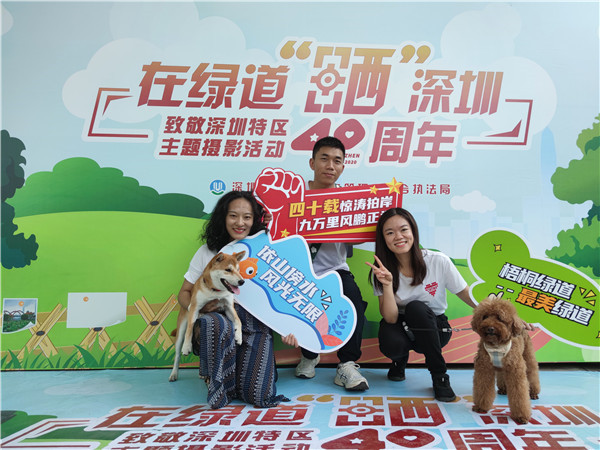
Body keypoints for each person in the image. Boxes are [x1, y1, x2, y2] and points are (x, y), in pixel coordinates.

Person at [178, 190, 298, 409]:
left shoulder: (267, 251)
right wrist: (199, 309)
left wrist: (288, 328)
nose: (240, 223)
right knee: (214, 323)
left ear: (256, 220)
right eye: (233, 215)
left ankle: (248, 373)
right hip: (219, 323)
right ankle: (218, 382)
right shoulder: (209, 252)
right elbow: (184, 292)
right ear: (223, 217)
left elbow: (283, 296)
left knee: (260, 394)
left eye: (247, 217)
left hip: (253, 326)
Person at [365, 207, 477, 402]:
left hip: (434, 326)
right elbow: (390, 317)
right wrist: (388, 284)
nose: (398, 237)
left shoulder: (438, 261)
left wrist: (505, 315)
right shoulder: (382, 271)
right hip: (400, 324)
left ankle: (439, 376)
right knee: (392, 342)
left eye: (403, 230)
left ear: (413, 231)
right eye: (390, 233)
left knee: (416, 308)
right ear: (383, 239)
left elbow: (466, 293)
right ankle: (399, 360)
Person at [294, 136, 370, 391]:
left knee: (354, 305)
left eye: (337, 161)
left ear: (343, 167)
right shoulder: (294, 196)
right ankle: (309, 355)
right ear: (312, 162)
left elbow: (359, 239)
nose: (330, 166)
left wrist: (357, 229)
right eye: (324, 159)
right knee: (298, 307)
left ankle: (347, 364)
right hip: (298, 271)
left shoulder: (348, 201)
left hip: (336, 270)